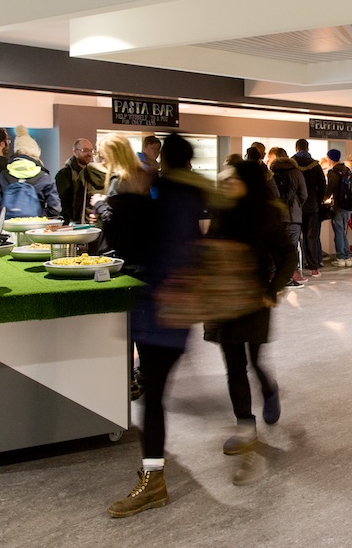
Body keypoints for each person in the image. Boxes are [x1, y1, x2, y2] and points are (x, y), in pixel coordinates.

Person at [107, 134, 208, 518]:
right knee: (152, 396)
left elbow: (134, 245)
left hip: (160, 310)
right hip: (171, 310)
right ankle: (153, 472)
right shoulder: (187, 196)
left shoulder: (165, 197)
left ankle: (154, 481)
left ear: (164, 159)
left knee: (152, 400)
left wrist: (126, 200)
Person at [205, 160, 295, 486]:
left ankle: (269, 389)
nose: (227, 184)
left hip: (255, 300)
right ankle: (245, 425)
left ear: (248, 183)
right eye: (225, 180)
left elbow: (288, 256)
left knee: (254, 360)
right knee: (234, 366)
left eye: (234, 180)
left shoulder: (265, 215)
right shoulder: (221, 211)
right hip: (224, 299)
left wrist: (273, 290)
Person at [91, 133, 155, 262]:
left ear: (114, 156)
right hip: (139, 251)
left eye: (103, 157)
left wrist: (99, 204)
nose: (103, 162)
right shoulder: (142, 176)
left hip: (117, 252)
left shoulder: (119, 180)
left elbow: (112, 220)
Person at [0, 125, 62, 219]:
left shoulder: (3, 176)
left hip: (10, 225)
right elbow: (55, 208)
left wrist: (10, 214)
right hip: (36, 226)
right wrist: (39, 215)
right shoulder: (44, 177)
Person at [269, 147, 308, 286]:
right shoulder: (296, 172)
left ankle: (274, 274)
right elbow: (304, 194)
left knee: (275, 247)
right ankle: (291, 275)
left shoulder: (271, 172)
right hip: (293, 216)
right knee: (291, 247)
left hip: (277, 216)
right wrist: (297, 205)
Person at [292, 139, 326, 277]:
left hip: (296, 207)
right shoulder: (315, 166)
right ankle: (314, 268)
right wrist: (318, 200)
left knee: (295, 238)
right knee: (311, 237)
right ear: (308, 148)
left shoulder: (292, 165)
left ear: (296, 148)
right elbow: (322, 186)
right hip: (312, 207)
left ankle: (295, 269)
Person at [55, 137, 98, 223]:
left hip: (90, 220)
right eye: (85, 150)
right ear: (75, 152)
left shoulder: (94, 173)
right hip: (72, 222)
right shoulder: (65, 174)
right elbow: (65, 203)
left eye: (91, 150)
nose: (89, 154)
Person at [324, 149, 352, 267]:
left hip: (339, 205)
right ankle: (347, 256)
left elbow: (330, 189)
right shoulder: (347, 170)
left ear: (330, 159)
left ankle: (341, 257)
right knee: (342, 231)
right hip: (348, 206)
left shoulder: (333, 172)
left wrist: (324, 198)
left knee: (338, 232)